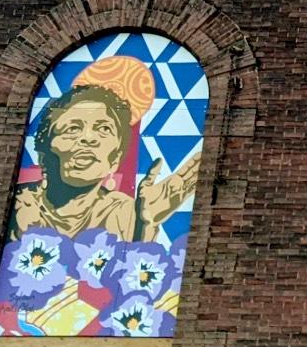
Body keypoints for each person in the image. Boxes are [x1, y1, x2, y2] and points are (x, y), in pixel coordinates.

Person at [10, 84, 197, 244]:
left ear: (115, 160)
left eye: (104, 128)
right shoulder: (18, 204)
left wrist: (144, 225)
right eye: (72, 128)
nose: (88, 138)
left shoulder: (124, 213)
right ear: (43, 155)